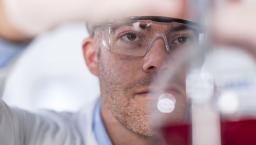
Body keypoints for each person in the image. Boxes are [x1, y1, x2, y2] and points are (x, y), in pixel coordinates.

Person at [1, 1, 256, 145]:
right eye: (131, 36)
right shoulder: (27, 136)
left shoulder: (230, 134)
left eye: (182, 40)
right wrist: (21, 14)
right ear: (92, 57)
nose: (159, 61)